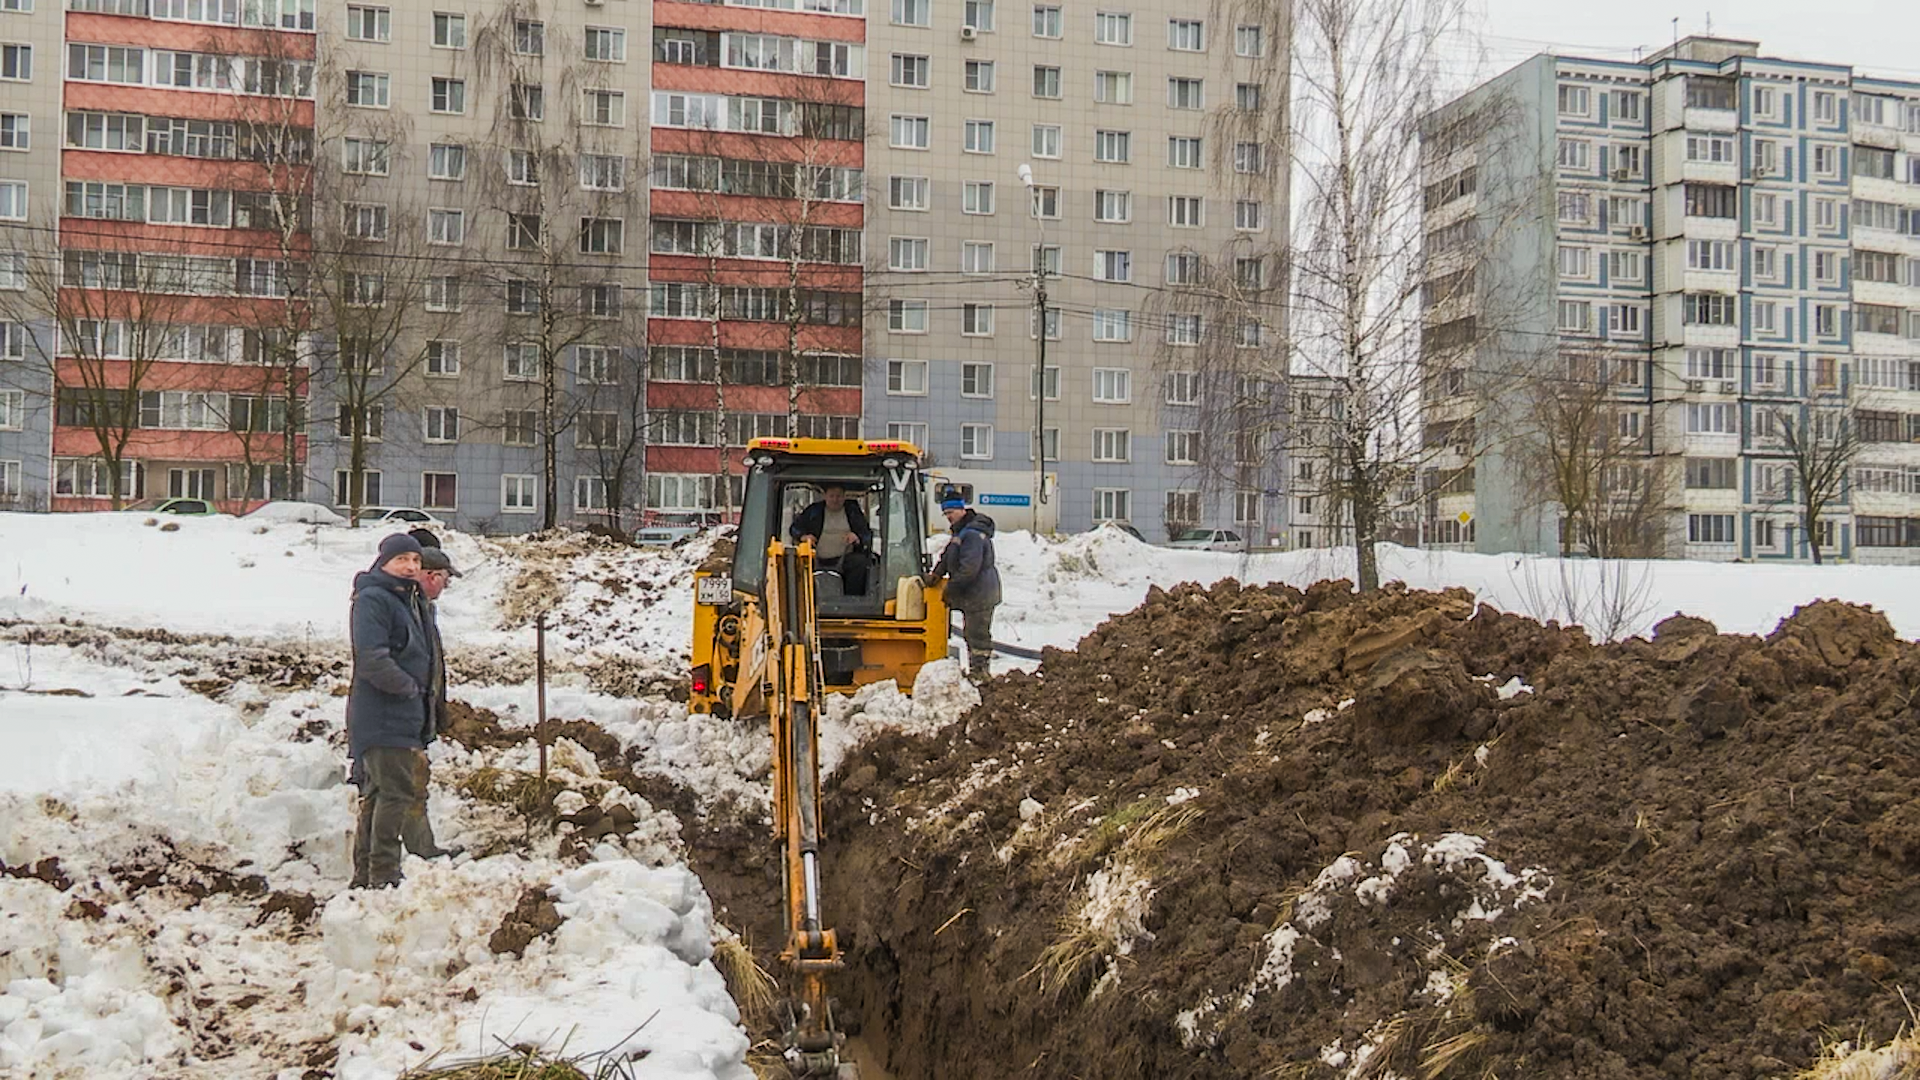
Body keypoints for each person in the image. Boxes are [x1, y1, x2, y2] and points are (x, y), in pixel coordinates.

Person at [347, 533, 443, 889]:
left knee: (378, 794)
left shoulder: (408, 600)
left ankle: (367, 874)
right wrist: (408, 689)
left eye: (416, 561)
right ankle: (383, 873)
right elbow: (372, 658)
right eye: (402, 559)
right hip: (384, 714)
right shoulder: (375, 600)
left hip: (402, 714)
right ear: (384, 562)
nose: (411, 566)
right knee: (395, 794)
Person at [928, 494, 1001, 681]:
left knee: (977, 634)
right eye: (945, 514)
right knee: (971, 633)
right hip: (976, 592)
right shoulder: (961, 532)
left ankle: (980, 673)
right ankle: (977, 671)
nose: (949, 517)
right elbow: (948, 556)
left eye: (951, 512)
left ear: (962, 509)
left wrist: (951, 587)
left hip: (981, 592)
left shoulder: (972, 534)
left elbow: (969, 568)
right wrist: (936, 574)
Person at [789, 483, 873, 595]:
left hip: (845, 558)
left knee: (860, 562)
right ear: (825, 496)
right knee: (795, 563)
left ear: (844, 497)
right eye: (831, 496)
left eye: (838, 496)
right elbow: (794, 529)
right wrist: (803, 536)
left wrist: (857, 537)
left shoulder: (853, 512)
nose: (835, 500)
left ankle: (852, 599)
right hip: (815, 558)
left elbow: (866, 534)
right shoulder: (813, 511)